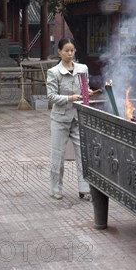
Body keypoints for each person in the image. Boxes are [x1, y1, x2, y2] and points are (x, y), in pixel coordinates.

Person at [46, 38, 95, 201]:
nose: (69, 53)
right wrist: (69, 98)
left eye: (72, 50)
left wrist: (88, 92)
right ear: (59, 52)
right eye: (66, 50)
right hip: (60, 118)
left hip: (78, 117)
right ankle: (56, 189)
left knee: (83, 154)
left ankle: (85, 189)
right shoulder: (54, 72)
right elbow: (51, 96)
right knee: (57, 155)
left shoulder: (82, 68)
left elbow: (84, 87)